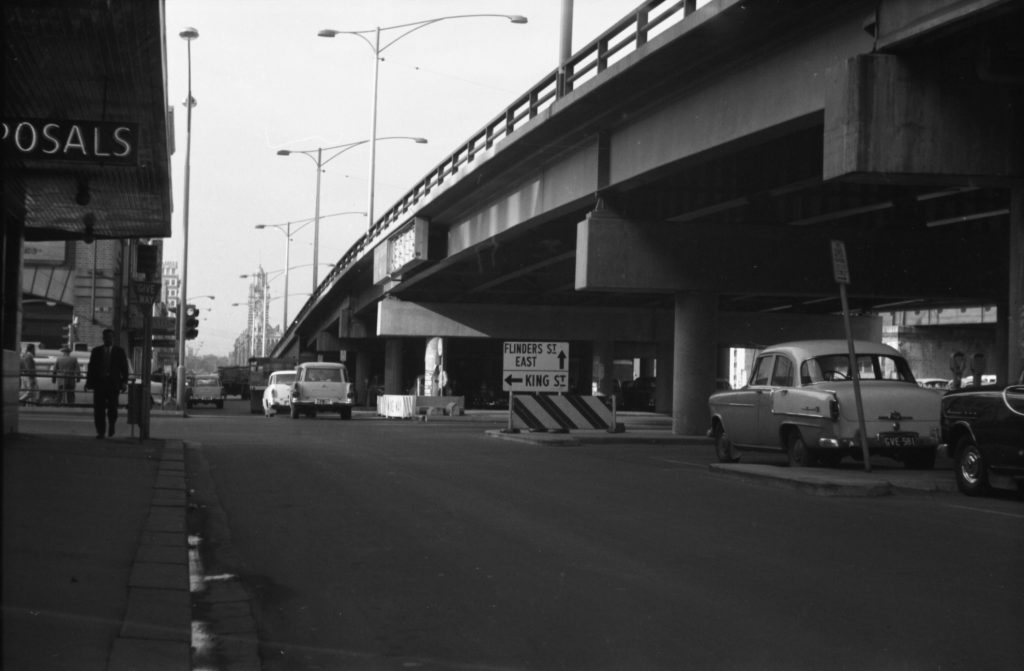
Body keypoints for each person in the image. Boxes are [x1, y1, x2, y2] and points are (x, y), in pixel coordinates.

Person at [85, 329, 130, 438]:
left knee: (113, 407)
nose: (107, 339)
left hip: (113, 384)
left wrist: (124, 382)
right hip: (100, 383)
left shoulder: (119, 352)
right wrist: (88, 382)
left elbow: (124, 368)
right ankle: (101, 431)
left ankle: (111, 424)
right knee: (98, 409)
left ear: (113, 338)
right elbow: (91, 368)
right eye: (105, 337)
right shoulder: (96, 351)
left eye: (110, 337)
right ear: (103, 338)